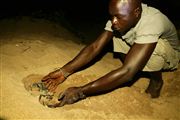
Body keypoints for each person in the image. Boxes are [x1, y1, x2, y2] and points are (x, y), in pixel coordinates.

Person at [41, 0, 180, 107]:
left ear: (137, 12)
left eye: (118, 17)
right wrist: (64, 72)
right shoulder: (120, 16)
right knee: (117, 34)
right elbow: (94, 47)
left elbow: (128, 72)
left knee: (148, 53)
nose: (114, 21)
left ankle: (156, 81)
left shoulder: (152, 21)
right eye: (112, 16)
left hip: (169, 55)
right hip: (138, 45)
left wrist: (80, 92)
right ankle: (136, 64)